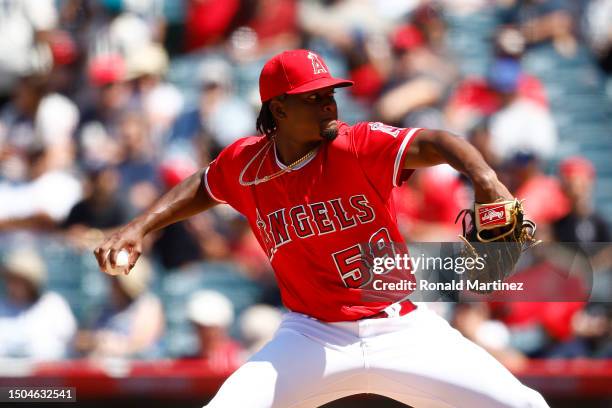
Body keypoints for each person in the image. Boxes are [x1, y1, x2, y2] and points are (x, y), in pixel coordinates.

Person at [95, 49, 548, 407]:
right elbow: (204, 184)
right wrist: (139, 227)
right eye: (313, 96)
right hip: (312, 337)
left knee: (523, 404)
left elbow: (436, 141)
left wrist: (486, 179)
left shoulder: (357, 144)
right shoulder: (245, 162)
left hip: (401, 329)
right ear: (279, 109)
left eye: (330, 92)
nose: (329, 103)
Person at [0, 248, 76, 360]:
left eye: (19, 280)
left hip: (50, 373)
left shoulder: (53, 305)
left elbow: (69, 342)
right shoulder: (2, 306)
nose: (13, 285)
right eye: (11, 279)